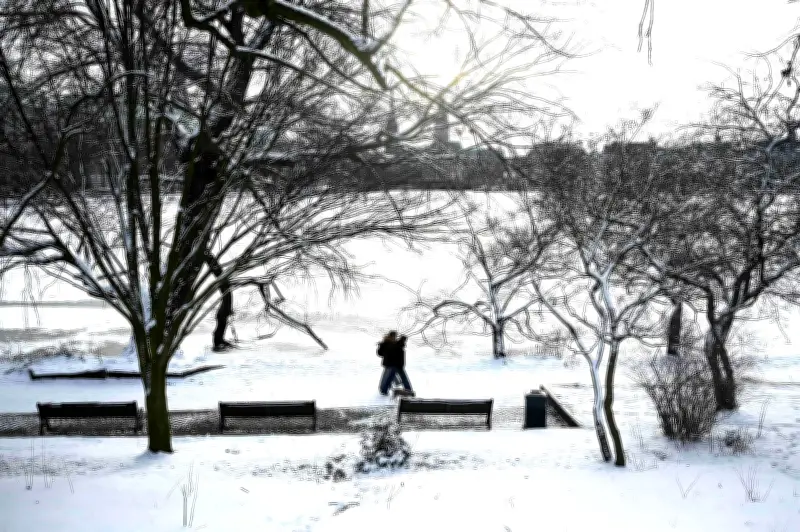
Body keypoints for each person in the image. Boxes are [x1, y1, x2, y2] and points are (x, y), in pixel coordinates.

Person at [376, 331, 413, 396]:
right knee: (390, 378)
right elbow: (384, 352)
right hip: (393, 364)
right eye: (395, 336)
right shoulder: (391, 343)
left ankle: (408, 390)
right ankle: (384, 391)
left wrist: (381, 345)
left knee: (391, 378)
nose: (395, 337)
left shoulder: (388, 343)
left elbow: (381, 353)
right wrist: (402, 340)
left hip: (395, 364)